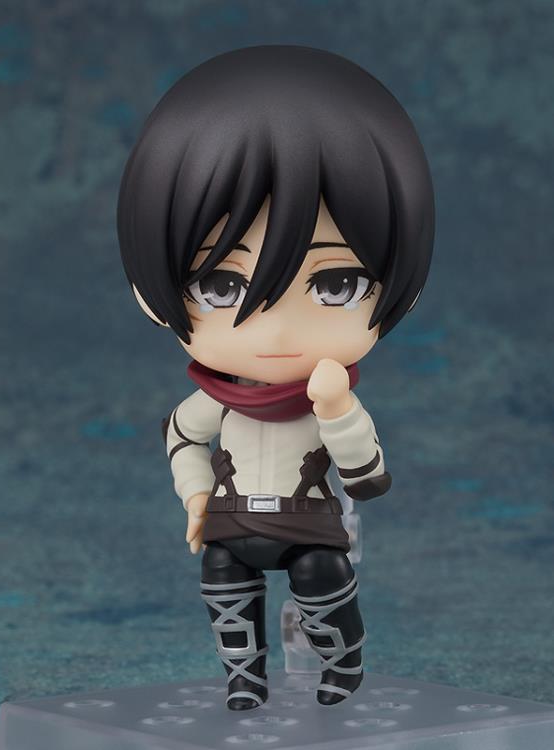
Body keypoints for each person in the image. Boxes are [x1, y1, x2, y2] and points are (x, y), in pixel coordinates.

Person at [117, 45, 434, 711]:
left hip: (309, 527)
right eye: (222, 284)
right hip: (232, 521)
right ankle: (245, 677)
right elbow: (181, 434)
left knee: (322, 580)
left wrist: (337, 409)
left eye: (336, 283)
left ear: (403, 290)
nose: (276, 332)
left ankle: (342, 665)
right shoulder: (217, 401)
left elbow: (368, 476)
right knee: (222, 579)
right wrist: (195, 492)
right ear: (151, 294)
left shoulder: (328, 400)